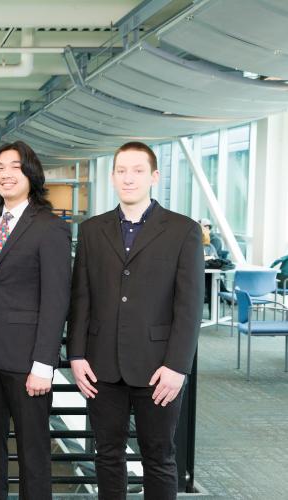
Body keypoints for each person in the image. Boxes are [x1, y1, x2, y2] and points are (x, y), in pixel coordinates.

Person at [68, 142, 204, 500]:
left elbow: (189, 306)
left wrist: (177, 366)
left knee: (158, 457)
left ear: (154, 177)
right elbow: (81, 297)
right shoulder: (92, 230)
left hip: (159, 367)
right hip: (101, 366)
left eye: (138, 170)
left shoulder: (183, 231)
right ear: (112, 176)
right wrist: (76, 354)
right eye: (122, 171)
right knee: (107, 455)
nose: (129, 178)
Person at [0, 141, 72, 500]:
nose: (5, 174)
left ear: (30, 174)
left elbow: (56, 301)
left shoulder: (49, 227)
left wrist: (44, 363)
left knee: (33, 452)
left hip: (27, 361)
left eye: (14, 166)